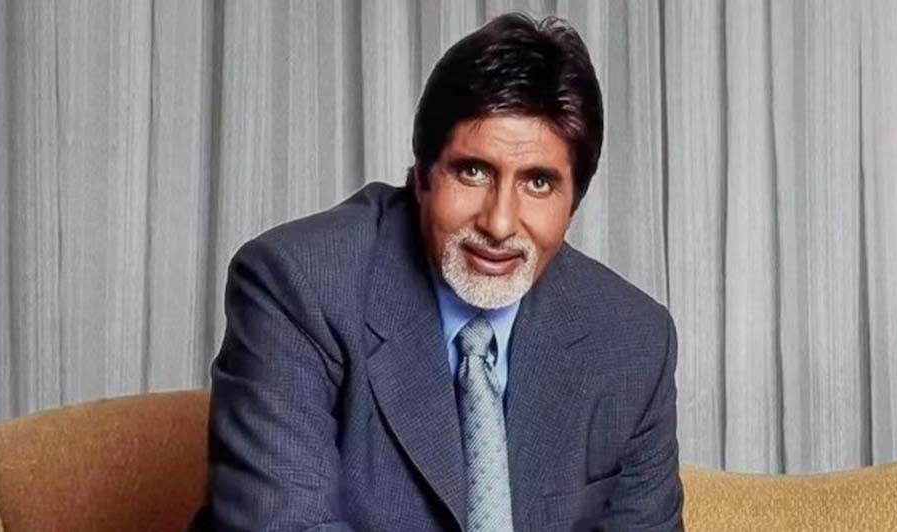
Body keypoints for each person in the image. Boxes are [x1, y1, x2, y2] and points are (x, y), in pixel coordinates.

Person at [190, 12, 683, 532]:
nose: (499, 223)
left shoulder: (633, 343)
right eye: (473, 171)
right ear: (422, 175)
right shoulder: (298, 285)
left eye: (538, 183)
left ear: (573, 204)